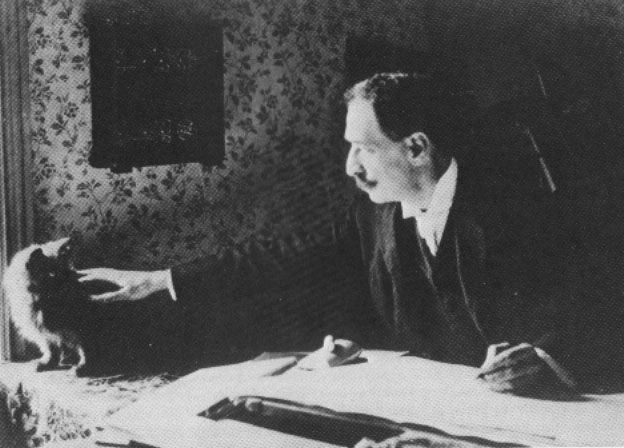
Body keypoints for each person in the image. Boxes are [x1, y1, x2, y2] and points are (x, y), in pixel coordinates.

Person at [78, 72, 590, 395]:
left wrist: (546, 357)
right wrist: (160, 279)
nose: (349, 167)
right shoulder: (375, 216)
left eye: (363, 149)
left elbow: (609, 307)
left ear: (416, 148)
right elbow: (278, 256)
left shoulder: (522, 208)